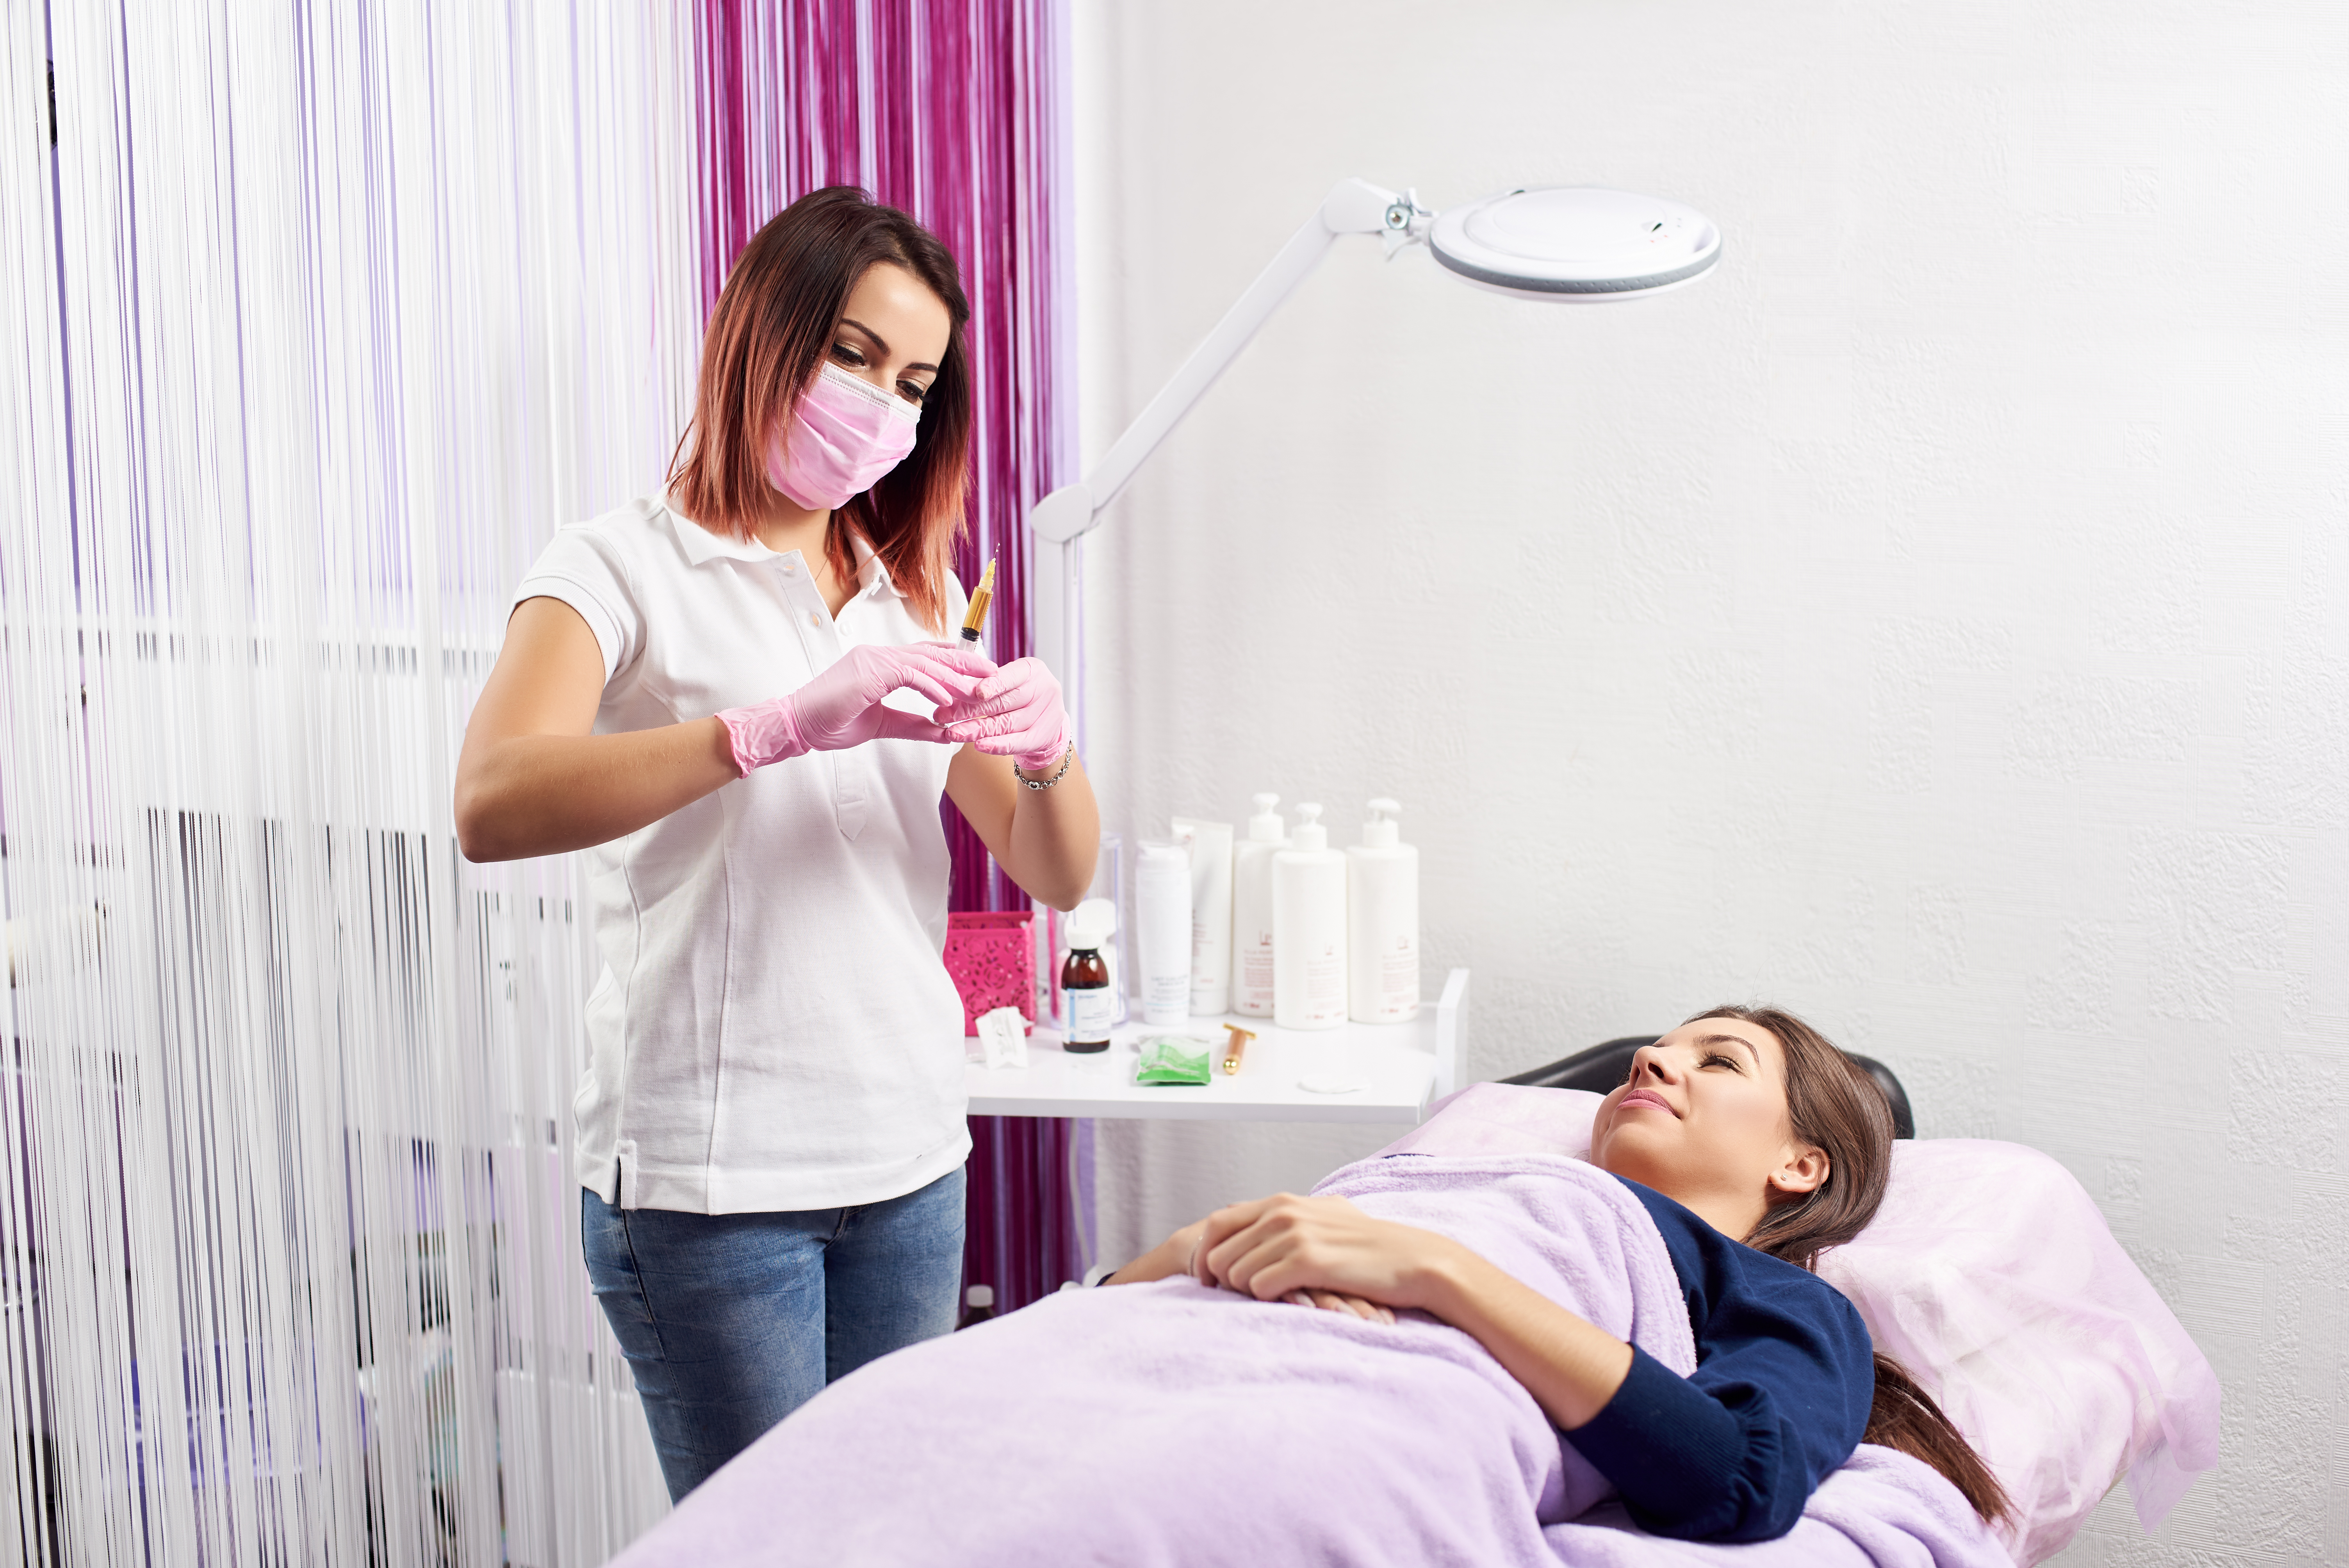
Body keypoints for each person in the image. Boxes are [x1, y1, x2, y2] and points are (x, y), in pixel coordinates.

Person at [452, 187, 1098, 1501]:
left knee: (889, 1531)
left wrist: (1050, 750)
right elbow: (491, 802)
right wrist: (765, 729)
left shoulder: (903, 587)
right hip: (711, 1181)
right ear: (764, 327)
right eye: (853, 353)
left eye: (914, 379)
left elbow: (1055, 871)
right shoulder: (613, 568)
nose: (881, 401)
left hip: (908, 1154)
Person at [1105, 1005, 2010, 1542]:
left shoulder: (1783, 1298)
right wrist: (1196, 1247)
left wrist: (1438, 1271)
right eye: (1656, 1051)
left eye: (1717, 1060)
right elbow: (1101, 1309)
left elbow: (1741, 1478)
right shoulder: (1445, 1183)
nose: (1650, 1060)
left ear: (1800, 1165)